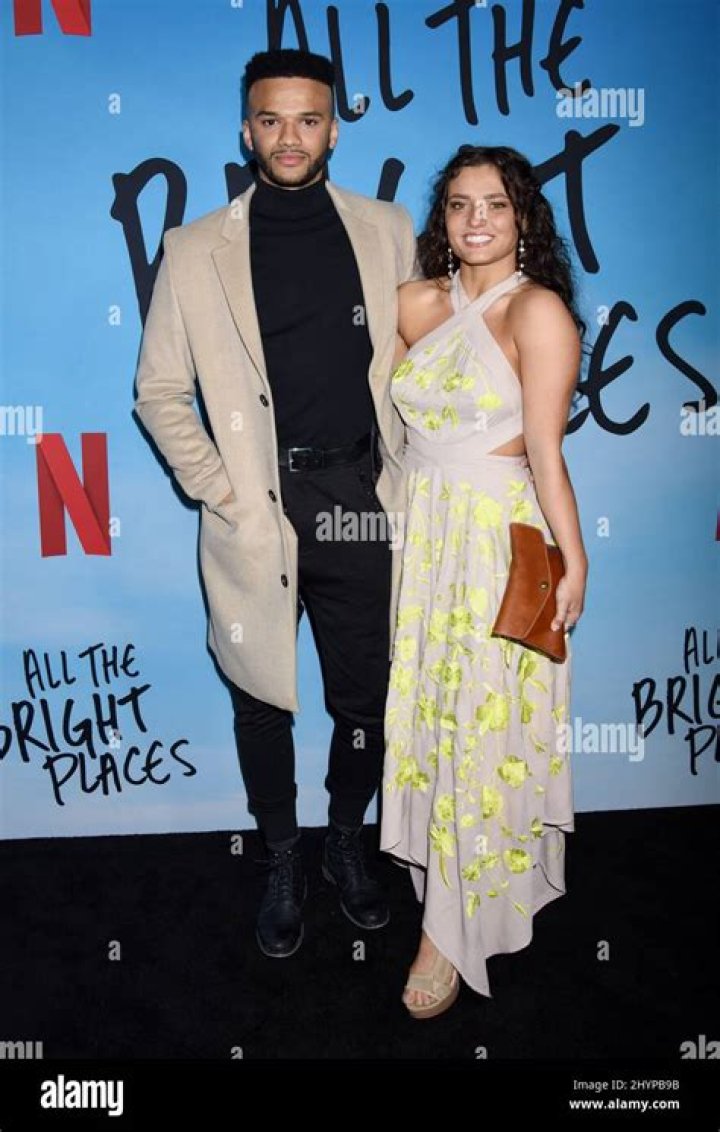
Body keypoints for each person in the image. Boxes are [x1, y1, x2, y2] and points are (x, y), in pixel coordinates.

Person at [133, 49, 416, 959]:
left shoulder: (387, 229)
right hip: (257, 509)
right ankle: (283, 857)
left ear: (334, 129)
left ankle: (347, 842)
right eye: (271, 119)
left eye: (308, 119)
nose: (289, 137)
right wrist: (221, 492)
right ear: (246, 130)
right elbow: (158, 391)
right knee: (261, 700)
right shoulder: (193, 248)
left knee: (365, 698)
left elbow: (420, 365)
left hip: (360, 500)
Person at [380, 144, 588, 1018]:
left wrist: (574, 559)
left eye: (495, 204)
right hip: (422, 541)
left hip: (497, 545)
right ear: (443, 217)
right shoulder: (413, 303)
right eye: (460, 204)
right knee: (432, 721)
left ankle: (447, 934)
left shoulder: (537, 311)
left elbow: (546, 450)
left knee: (481, 728)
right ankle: (442, 886)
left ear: (522, 217)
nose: (476, 220)